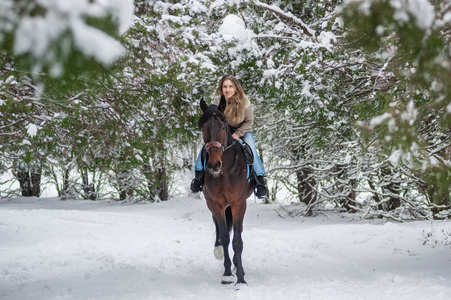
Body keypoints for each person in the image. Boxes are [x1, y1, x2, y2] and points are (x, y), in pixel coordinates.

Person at [190, 74, 268, 199]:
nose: (227, 89)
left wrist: (237, 134)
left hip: (243, 131)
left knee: (252, 150)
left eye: (230, 86)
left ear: (236, 88)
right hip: (223, 132)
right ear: (221, 88)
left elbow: (249, 121)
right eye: (225, 86)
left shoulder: (245, 102)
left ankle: (260, 182)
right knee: (207, 147)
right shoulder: (217, 102)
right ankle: (198, 177)